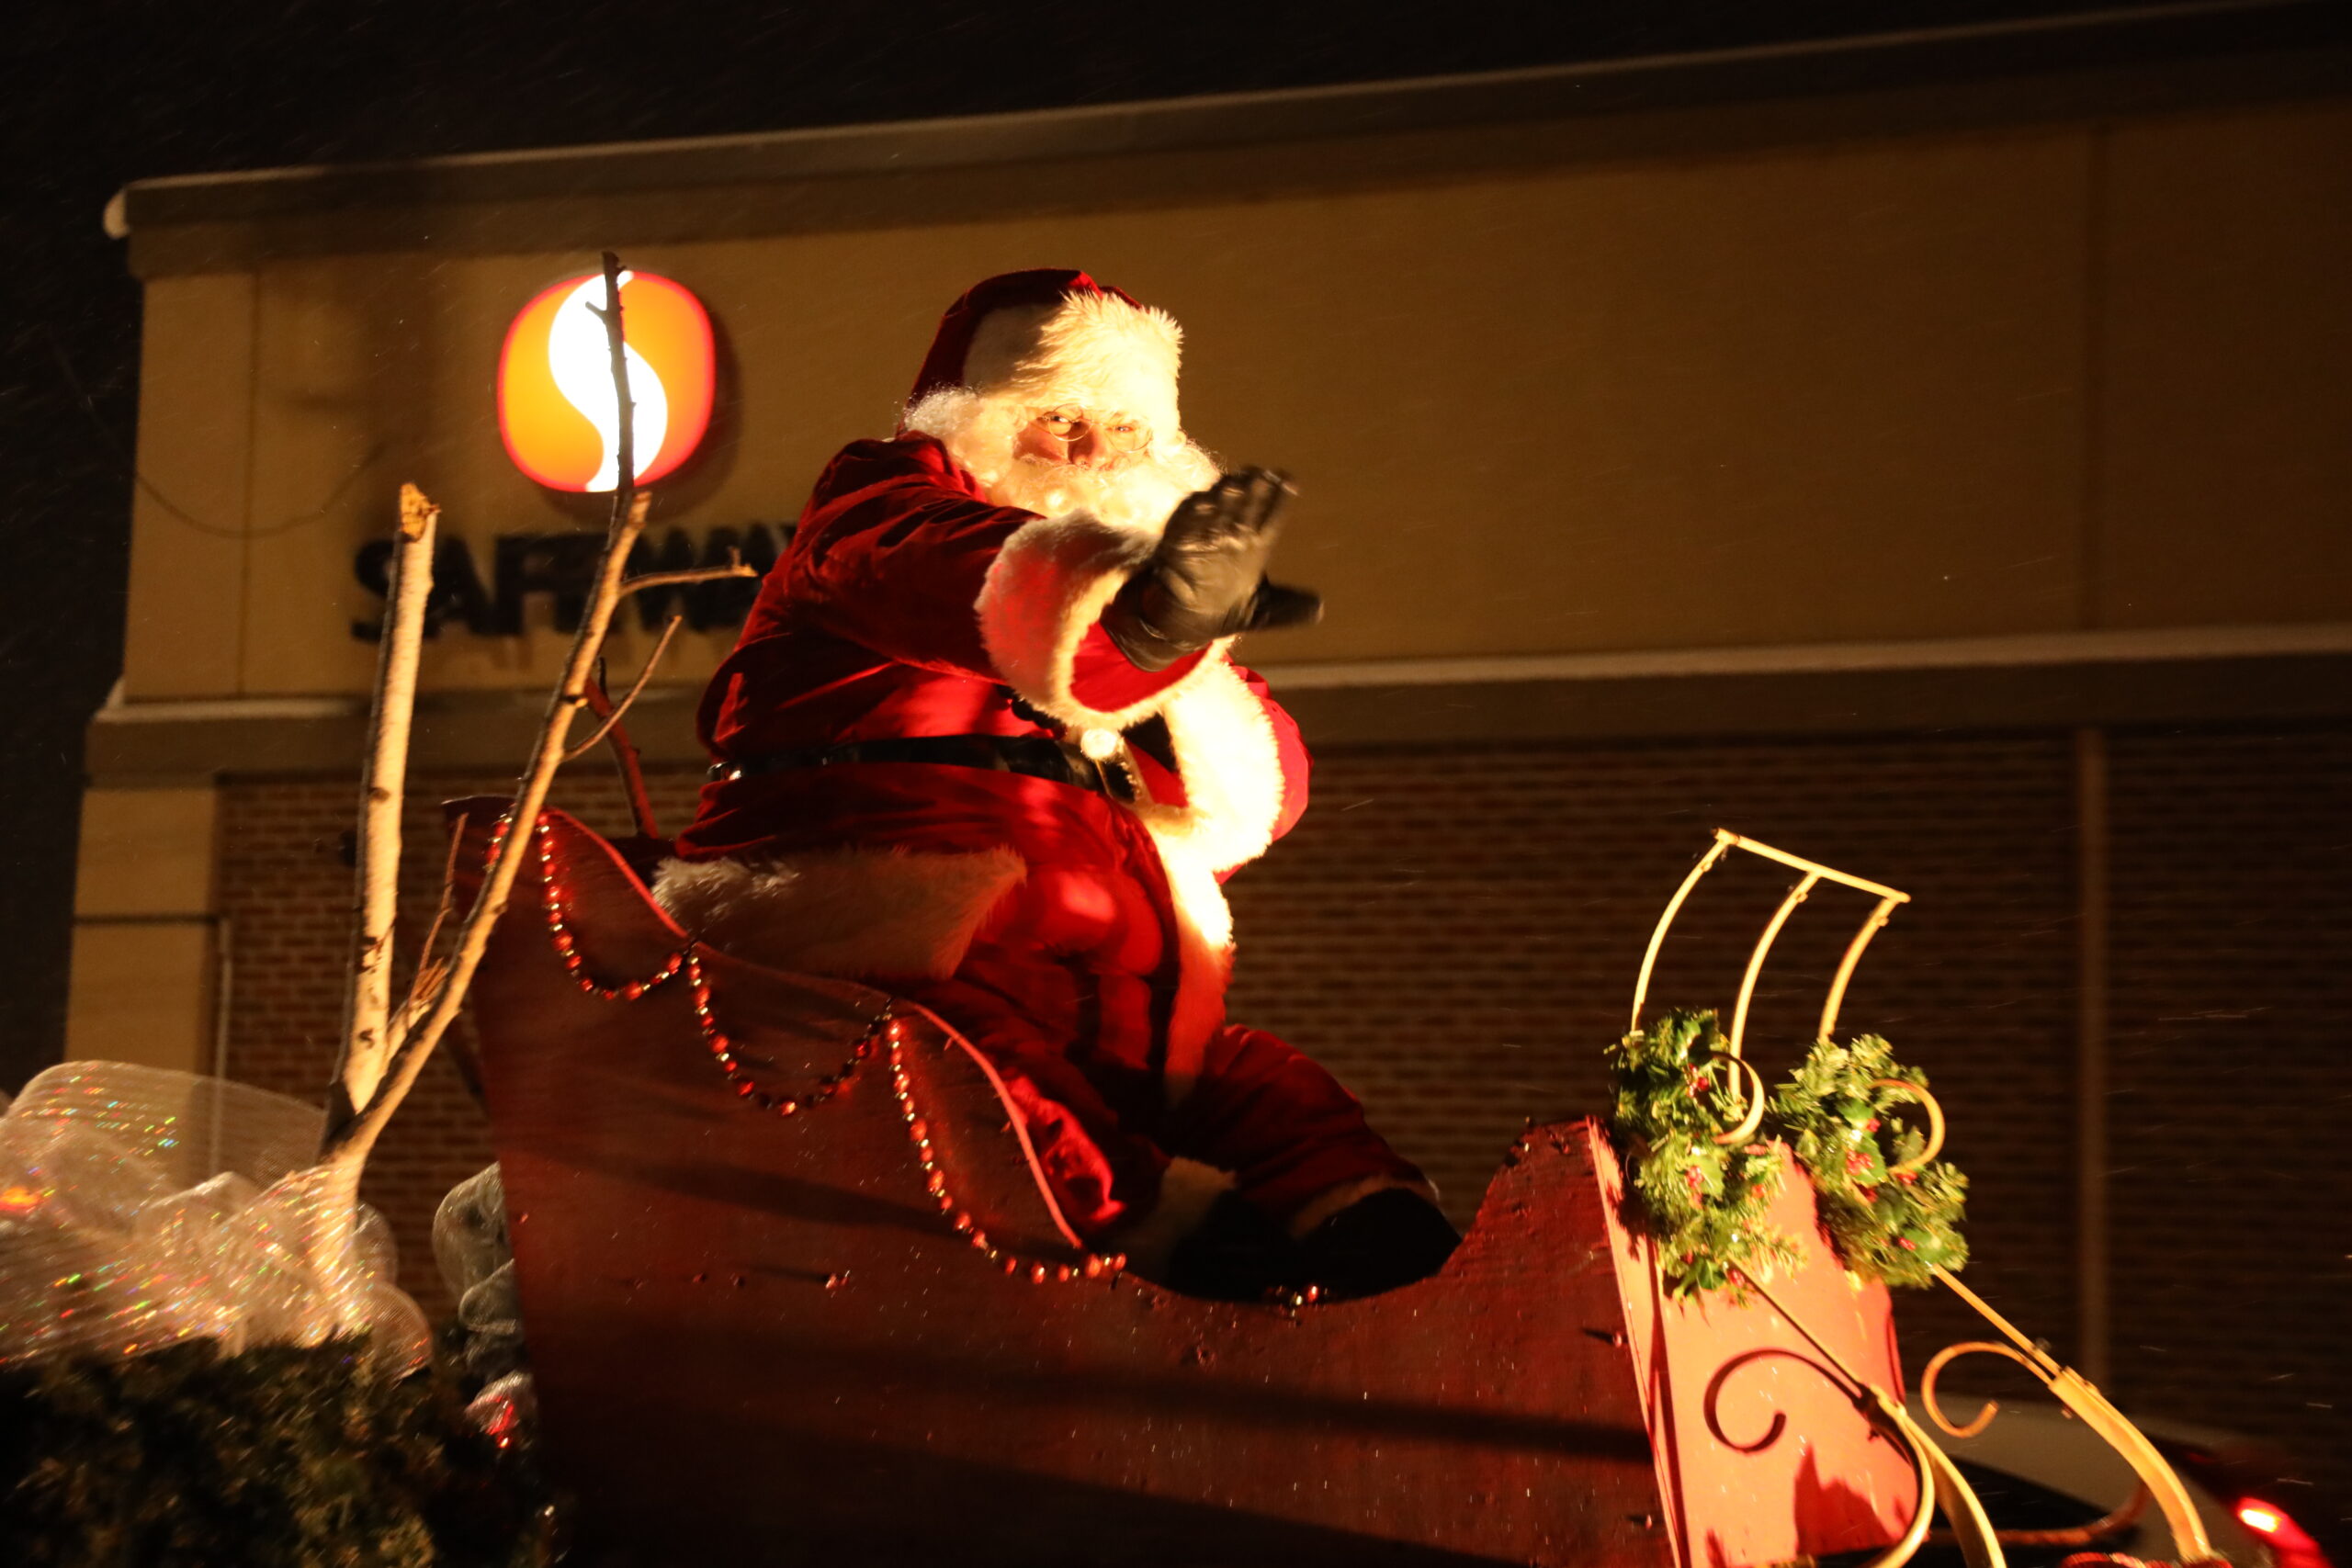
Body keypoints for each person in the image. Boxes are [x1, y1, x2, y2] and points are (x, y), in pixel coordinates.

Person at [658, 268, 1457, 1298]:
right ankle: (1191, 1282)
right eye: (1057, 418)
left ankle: (1411, 1283)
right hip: (894, 979)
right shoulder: (879, 509)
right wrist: (1132, 609)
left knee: (1284, 1104)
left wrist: (1181, 649)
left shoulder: (1135, 611)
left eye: (1121, 428)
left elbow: (1265, 785)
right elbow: (952, 572)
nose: (1090, 451)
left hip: (1119, 1008)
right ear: (981, 419)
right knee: (1005, 1110)